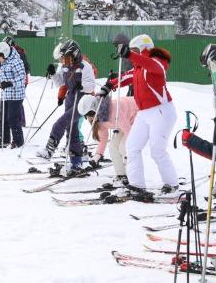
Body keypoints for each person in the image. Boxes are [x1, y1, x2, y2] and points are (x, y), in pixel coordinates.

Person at [100, 34, 177, 194]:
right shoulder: (138, 68)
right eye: (131, 51)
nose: (132, 54)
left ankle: (172, 184)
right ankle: (137, 185)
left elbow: (153, 66)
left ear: (143, 48)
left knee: (157, 151)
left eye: (135, 50)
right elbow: (126, 76)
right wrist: (109, 85)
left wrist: (129, 54)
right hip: (144, 113)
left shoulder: (157, 62)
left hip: (161, 112)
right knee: (132, 146)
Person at [37, 40, 96, 175]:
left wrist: (81, 85)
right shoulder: (64, 66)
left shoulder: (85, 66)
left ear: (74, 54)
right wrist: (53, 74)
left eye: (65, 57)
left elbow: (91, 86)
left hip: (82, 100)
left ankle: (49, 149)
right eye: (62, 58)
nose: (62, 60)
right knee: (72, 131)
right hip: (70, 98)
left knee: (61, 123)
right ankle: (76, 162)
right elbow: (60, 82)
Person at [85, 91, 138, 185]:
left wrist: (126, 153)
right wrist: (98, 155)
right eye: (87, 116)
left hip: (137, 116)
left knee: (124, 147)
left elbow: (128, 131)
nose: (89, 119)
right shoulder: (98, 120)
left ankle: (134, 177)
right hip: (125, 123)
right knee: (113, 148)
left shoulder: (114, 112)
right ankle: (121, 175)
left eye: (90, 115)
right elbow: (103, 139)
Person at [0, 41, 26, 148]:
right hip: (5, 95)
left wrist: (10, 83)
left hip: (16, 95)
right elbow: (1, 74)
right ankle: (4, 139)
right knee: (3, 118)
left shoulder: (16, 61)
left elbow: (22, 77)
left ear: (5, 54)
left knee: (12, 118)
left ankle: (18, 141)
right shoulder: (4, 62)